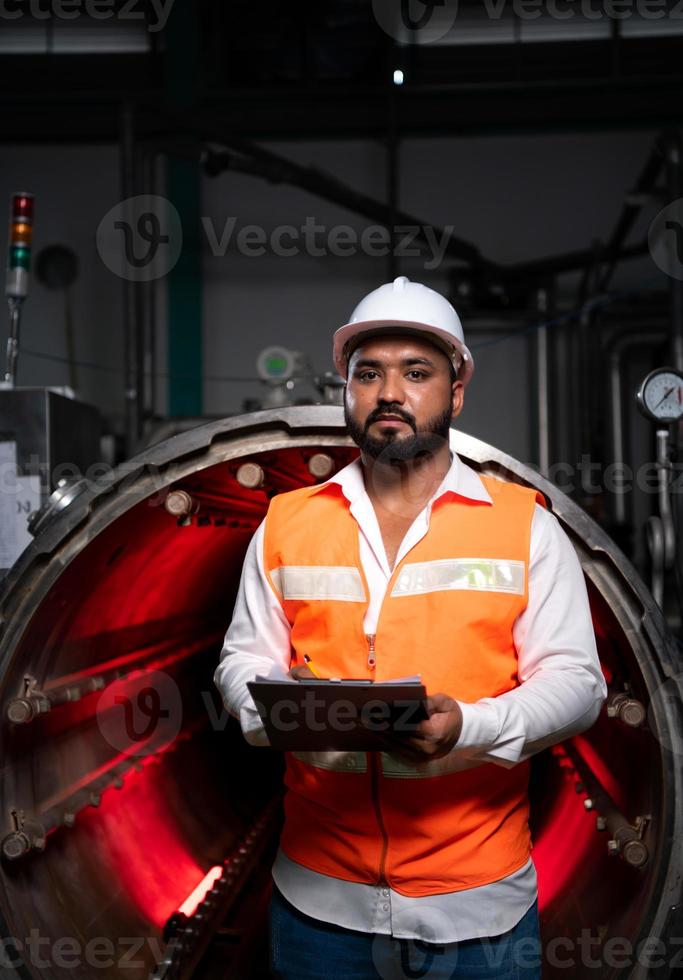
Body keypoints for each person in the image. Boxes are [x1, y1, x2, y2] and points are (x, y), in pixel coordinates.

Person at [214, 276, 607, 980]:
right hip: (318, 905)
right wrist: (279, 708)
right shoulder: (288, 523)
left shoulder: (523, 525)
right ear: (347, 391)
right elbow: (241, 659)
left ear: (455, 393)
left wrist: (468, 726)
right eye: (368, 374)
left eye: (415, 373)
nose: (388, 392)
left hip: (478, 910)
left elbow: (577, 684)